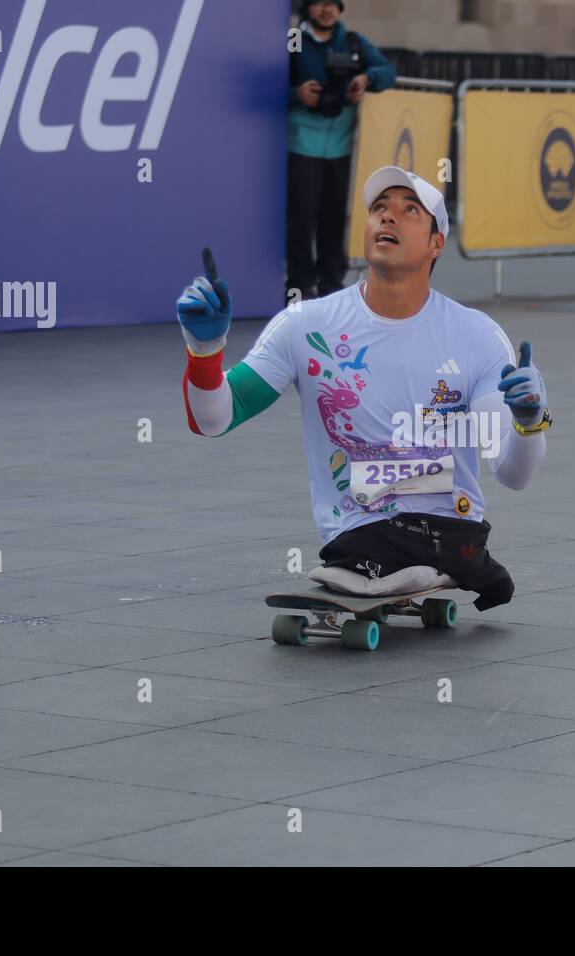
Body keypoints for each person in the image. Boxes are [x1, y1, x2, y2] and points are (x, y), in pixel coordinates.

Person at [175, 167, 551, 611]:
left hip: (448, 524)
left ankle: (428, 564)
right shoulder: (305, 325)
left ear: (436, 244)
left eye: (409, 211)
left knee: (432, 543)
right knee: (363, 547)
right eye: (379, 209)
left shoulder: (476, 336)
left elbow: (513, 473)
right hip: (354, 532)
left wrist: (530, 423)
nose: (388, 218)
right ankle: (396, 566)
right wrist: (205, 350)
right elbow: (214, 418)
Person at [287, 0, 396, 302]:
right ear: (307, 7)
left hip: (341, 146)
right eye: (319, 3)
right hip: (302, 143)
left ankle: (331, 285)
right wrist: (297, 94)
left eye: (333, 4)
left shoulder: (353, 42)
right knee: (301, 218)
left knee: (334, 219)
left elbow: (388, 71)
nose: (327, 10)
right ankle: (299, 284)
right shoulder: (293, 41)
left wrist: (366, 79)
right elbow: (267, 84)